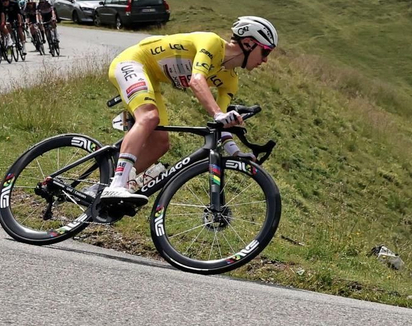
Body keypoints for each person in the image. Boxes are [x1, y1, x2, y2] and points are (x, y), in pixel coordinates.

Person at [97, 16, 278, 212]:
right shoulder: (212, 43)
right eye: (265, 51)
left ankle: (99, 189)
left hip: (152, 79)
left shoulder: (230, 81)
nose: (265, 60)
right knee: (149, 116)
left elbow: (222, 122)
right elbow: (196, 80)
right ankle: (117, 185)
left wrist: (236, 153)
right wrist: (218, 113)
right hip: (133, 62)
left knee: (160, 144)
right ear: (249, 43)